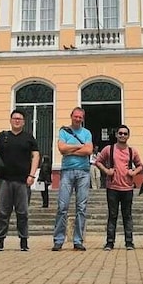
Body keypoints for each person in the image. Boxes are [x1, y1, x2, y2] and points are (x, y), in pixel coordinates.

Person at [0, 110, 40, 252]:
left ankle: (23, 241)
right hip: (5, 180)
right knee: (3, 212)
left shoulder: (29, 138)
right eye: (15, 118)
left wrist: (32, 175)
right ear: (10, 120)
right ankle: (0, 241)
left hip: (23, 181)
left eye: (20, 119)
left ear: (23, 122)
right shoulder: (3, 136)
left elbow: (36, 156)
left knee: (23, 213)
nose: (17, 121)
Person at [94, 125, 143, 250]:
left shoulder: (132, 151)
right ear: (116, 135)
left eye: (125, 134)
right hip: (112, 187)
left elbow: (140, 165)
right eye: (120, 133)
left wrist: (134, 172)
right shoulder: (108, 149)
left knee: (127, 216)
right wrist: (106, 170)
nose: (122, 135)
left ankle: (129, 242)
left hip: (127, 188)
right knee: (112, 215)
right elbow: (98, 161)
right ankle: (110, 242)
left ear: (128, 136)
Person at [52, 107, 93, 251]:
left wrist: (71, 149)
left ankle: (78, 240)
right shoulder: (64, 131)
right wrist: (79, 146)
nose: (78, 119)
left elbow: (89, 150)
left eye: (80, 117)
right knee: (62, 207)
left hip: (83, 172)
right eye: (76, 116)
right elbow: (62, 149)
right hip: (67, 172)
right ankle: (58, 240)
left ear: (83, 118)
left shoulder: (87, 133)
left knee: (81, 207)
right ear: (71, 116)